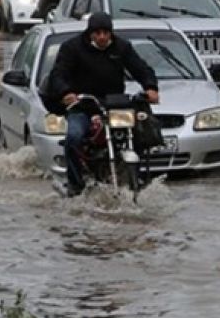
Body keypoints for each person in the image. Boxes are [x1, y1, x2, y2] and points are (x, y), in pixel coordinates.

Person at [43, 13, 160, 196]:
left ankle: (137, 180)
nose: (102, 37)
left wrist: (150, 87)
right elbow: (58, 74)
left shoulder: (122, 47)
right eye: (97, 33)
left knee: (141, 134)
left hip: (115, 107)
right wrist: (66, 92)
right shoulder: (72, 48)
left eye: (106, 32)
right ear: (90, 33)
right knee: (73, 137)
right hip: (83, 107)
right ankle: (75, 185)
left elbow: (141, 68)